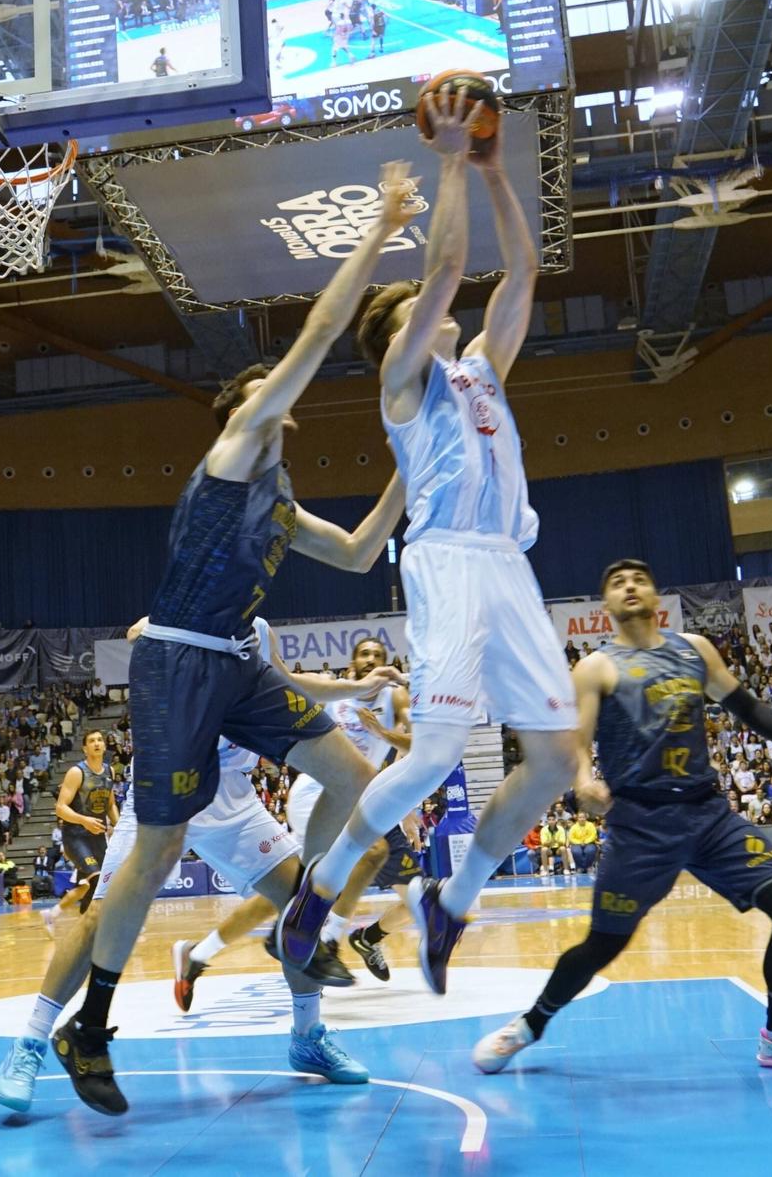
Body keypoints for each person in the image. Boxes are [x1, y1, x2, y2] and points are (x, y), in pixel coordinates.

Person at [43, 161, 424, 1117]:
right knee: (158, 851)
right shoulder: (232, 451)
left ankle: (302, 921)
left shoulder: (283, 499)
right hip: (175, 661)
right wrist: (378, 227)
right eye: (266, 387)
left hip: (238, 666)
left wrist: (420, 461)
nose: (280, 393)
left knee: (350, 776)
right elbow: (325, 330)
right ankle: (87, 1028)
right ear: (249, 408)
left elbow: (366, 546)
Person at [281, 94, 579, 998]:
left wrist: (494, 174)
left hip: (507, 564)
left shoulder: (480, 371)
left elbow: (520, 274)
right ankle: (320, 890)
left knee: (558, 761)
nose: (445, 307)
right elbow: (447, 271)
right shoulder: (401, 379)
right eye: (426, 307)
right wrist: (451, 158)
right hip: (447, 557)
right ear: (405, 327)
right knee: (438, 749)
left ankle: (453, 898)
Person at [469, 559, 772, 1074]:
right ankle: (530, 1026)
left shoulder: (694, 649)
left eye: (639, 579)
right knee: (602, 944)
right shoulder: (594, 668)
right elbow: (579, 741)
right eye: (616, 582)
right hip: (640, 825)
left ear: (657, 597)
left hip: (707, 815)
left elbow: (746, 706)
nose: (629, 586)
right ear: (605, 606)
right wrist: (585, 779)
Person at [0, 618, 398, 1115]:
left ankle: (307, 1037)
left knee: (299, 909)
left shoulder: (259, 629)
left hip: (232, 797)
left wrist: (360, 686)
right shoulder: (194, 610)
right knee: (101, 918)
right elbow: (137, 633)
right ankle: (30, 1044)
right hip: (166, 784)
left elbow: (289, 682)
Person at [174, 636, 416, 1000]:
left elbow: (417, 747)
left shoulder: (394, 698)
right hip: (316, 793)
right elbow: (293, 688)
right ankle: (326, 941)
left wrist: (387, 732)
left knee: (299, 888)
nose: (370, 659)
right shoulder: (338, 694)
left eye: (377, 654)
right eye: (363, 654)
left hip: (356, 793)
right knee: (353, 862)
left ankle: (198, 955)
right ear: (352, 663)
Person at [51, 730, 118, 917]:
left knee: (93, 886)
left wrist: (119, 827)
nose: (96, 743)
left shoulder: (109, 771)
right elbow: (60, 808)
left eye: (99, 740)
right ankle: (90, 928)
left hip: (98, 837)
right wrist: (84, 820)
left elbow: (110, 804)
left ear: (104, 745)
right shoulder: (76, 772)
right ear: (84, 748)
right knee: (97, 880)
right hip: (75, 835)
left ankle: (63, 917)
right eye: (91, 741)